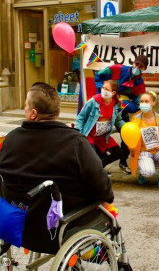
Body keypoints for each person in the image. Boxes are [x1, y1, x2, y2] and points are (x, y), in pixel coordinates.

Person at [0, 82, 113, 253]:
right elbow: (101, 186)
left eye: (25, 106)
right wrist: (105, 197)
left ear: (33, 113)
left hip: (15, 224)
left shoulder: (11, 139)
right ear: (57, 112)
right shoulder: (75, 142)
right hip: (58, 229)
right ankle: (96, 254)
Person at [94, 55, 149, 174]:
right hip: (103, 107)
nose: (137, 67)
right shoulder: (116, 68)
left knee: (126, 135)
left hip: (120, 111)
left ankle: (123, 161)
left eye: (141, 66)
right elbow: (98, 75)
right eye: (136, 64)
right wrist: (103, 93)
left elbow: (138, 105)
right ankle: (99, 164)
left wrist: (124, 103)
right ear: (133, 63)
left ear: (144, 69)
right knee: (99, 134)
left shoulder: (140, 84)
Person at [75, 80, 125, 174]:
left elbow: (118, 120)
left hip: (103, 136)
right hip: (90, 135)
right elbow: (80, 117)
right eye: (103, 88)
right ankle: (96, 170)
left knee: (118, 153)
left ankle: (99, 167)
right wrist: (79, 133)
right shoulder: (93, 102)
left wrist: (127, 126)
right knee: (92, 156)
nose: (103, 90)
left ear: (113, 93)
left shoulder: (116, 105)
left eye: (106, 89)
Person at [128, 91, 159, 185]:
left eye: (146, 101)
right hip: (144, 152)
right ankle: (143, 174)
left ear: (153, 103)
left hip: (157, 150)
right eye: (142, 101)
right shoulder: (135, 119)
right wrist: (132, 148)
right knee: (148, 172)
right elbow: (130, 137)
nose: (143, 104)